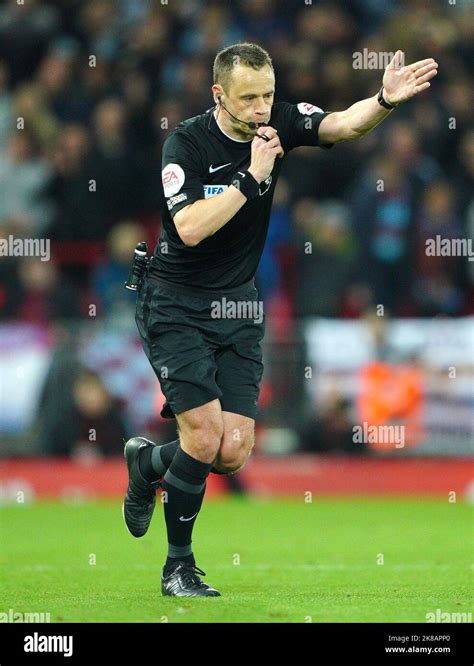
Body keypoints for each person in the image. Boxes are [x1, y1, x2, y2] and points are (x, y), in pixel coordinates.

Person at [123, 42, 438, 597]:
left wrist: (384, 100)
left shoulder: (278, 122)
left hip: (239, 304)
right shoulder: (186, 145)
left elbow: (342, 125)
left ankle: (148, 465)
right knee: (202, 436)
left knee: (233, 450)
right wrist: (252, 175)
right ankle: (178, 569)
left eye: (268, 94)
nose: (263, 108)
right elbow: (191, 227)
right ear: (219, 94)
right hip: (175, 301)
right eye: (249, 98)